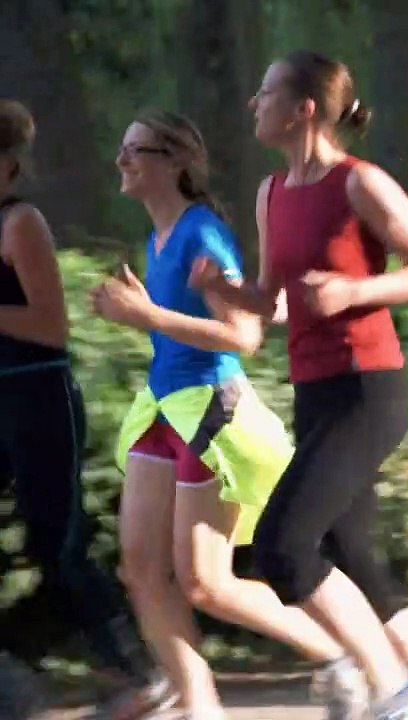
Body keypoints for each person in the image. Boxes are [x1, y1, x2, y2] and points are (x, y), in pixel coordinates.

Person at [190, 50, 408, 720]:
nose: (254, 103)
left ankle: (395, 687)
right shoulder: (271, 193)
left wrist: (358, 289)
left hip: (368, 389)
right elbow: (277, 302)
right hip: (314, 390)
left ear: (304, 107)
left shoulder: (359, 183)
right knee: (356, 557)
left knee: (284, 546)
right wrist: (226, 291)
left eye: (265, 92)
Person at [89, 109, 371, 719]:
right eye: (123, 149)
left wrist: (148, 319)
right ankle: (200, 704)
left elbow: (243, 335)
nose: (122, 161)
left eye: (137, 150)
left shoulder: (202, 234)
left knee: (204, 584)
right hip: (161, 407)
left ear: (177, 161)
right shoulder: (158, 237)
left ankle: (336, 655)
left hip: (210, 412)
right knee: (139, 569)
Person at [0, 99, 174, 719]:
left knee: (58, 541)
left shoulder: (20, 224)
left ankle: (139, 672)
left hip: (37, 396)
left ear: (7, 165)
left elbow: (51, 326)